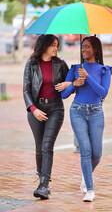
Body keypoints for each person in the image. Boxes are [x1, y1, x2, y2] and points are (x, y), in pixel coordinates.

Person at [55, 36, 112, 202]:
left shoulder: (104, 70)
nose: (84, 50)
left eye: (87, 47)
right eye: (82, 47)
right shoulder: (75, 69)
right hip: (77, 111)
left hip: (96, 113)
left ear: (95, 49)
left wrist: (87, 77)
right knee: (85, 151)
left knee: (97, 154)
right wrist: (74, 84)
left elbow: (103, 93)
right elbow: (64, 95)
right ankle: (90, 189)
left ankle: (85, 177)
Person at [23, 34, 70, 200]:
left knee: (47, 145)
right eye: (53, 45)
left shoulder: (61, 64)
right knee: (39, 147)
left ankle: (43, 185)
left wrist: (69, 83)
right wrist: (34, 109)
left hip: (55, 108)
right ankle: (44, 182)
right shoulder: (31, 64)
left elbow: (71, 84)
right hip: (36, 109)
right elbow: (26, 90)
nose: (56, 48)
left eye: (57, 45)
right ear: (44, 46)